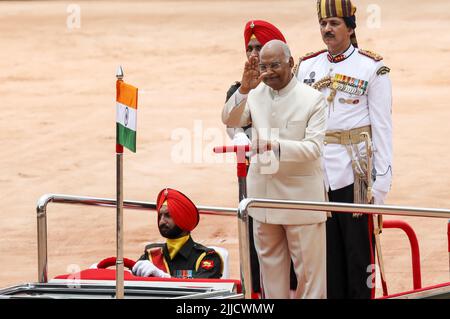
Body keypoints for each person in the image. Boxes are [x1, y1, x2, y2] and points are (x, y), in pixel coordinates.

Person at [295, 0, 393, 299]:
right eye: (324, 24)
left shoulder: (372, 68)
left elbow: (382, 127)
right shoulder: (308, 66)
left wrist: (383, 181)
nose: (327, 29)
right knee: (326, 257)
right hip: (317, 175)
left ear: (350, 28)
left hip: (356, 175)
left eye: (335, 23)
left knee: (358, 256)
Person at [222, 40, 328, 299]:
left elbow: (313, 148)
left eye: (275, 65)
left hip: (301, 201)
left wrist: (274, 146)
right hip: (264, 199)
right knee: (270, 276)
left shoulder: (313, 99)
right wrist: (245, 88)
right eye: (263, 66)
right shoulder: (255, 94)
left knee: (310, 279)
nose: (268, 72)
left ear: (291, 63)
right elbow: (230, 119)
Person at [225, 19, 297, 297]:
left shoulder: (293, 88)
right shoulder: (238, 90)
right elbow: (234, 128)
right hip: (256, 182)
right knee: (259, 253)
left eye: (260, 47)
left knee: (295, 256)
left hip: (291, 181)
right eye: (250, 48)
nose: (254, 54)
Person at [132, 188, 223, 279]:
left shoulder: (207, 257)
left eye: (168, 215)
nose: (161, 221)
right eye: (160, 216)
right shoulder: (152, 254)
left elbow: (201, 289)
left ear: (183, 219)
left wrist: (163, 277)